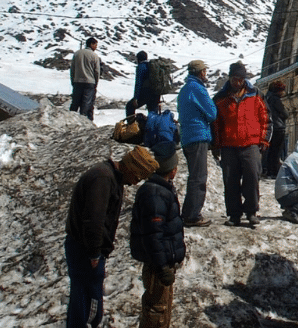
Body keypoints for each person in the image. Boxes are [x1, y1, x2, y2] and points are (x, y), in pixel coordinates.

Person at [65, 145, 158, 328]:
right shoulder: (103, 179)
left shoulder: (109, 176)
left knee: (83, 298)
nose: (135, 182)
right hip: (85, 249)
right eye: (137, 176)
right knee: (88, 300)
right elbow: (94, 219)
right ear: (131, 168)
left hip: (87, 248)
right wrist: (94, 253)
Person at [129, 149, 185, 328]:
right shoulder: (156, 194)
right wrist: (161, 266)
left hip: (162, 262)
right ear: (172, 170)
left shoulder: (160, 190)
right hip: (157, 265)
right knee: (156, 309)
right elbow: (153, 235)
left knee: (162, 306)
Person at [212, 62, 270, 227]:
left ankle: (251, 211)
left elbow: (266, 118)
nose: (237, 82)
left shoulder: (255, 95)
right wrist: (216, 144)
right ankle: (234, 214)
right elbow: (216, 124)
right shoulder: (220, 98)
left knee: (252, 176)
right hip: (229, 145)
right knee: (230, 180)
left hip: (251, 143)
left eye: (240, 79)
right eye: (234, 79)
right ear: (230, 78)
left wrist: (264, 139)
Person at [178, 59, 216, 227]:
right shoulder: (198, 89)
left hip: (187, 136)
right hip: (198, 134)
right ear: (201, 72)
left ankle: (188, 212)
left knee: (194, 175)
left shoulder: (185, 89)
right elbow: (212, 112)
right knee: (199, 177)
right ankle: (192, 215)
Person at [69, 37, 101, 121]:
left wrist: (73, 81)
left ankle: (70, 121)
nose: (96, 47)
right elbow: (97, 71)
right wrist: (95, 83)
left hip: (77, 81)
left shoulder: (77, 54)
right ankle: (83, 121)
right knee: (86, 105)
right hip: (89, 82)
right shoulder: (94, 56)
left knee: (75, 104)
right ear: (92, 44)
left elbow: (72, 69)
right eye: (95, 45)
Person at [263, 81, 289, 178]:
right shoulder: (275, 99)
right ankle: (273, 171)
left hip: (269, 127)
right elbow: (285, 113)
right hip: (278, 127)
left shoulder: (267, 98)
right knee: (276, 151)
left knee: (270, 151)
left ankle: (268, 170)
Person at [128, 51, 161, 117]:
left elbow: (138, 83)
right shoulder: (152, 66)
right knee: (153, 114)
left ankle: (132, 125)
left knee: (129, 107)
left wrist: (136, 98)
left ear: (138, 59)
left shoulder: (140, 67)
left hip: (145, 94)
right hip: (156, 94)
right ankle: (153, 126)